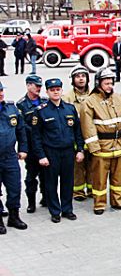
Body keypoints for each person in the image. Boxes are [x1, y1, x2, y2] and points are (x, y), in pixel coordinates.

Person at [31, 78, 85, 223]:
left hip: (68, 152)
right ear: (47, 92)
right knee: (51, 183)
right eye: (52, 90)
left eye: (58, 89)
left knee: (68, 182)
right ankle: (55, 211)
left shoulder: (70, 108)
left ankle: (67, 209)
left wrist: (80, 149)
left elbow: (77, 132)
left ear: (61, 90)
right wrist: (41, 156)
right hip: (51, 153)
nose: (55, 92)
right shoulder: (41, 111)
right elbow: (36, 137)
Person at [80, 69, 121, 215]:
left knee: (119, 178)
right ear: (98, 83)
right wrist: (94, 148)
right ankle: (99, 205)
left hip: (118, 145)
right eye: (106, 83)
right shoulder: (89, 102)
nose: (109, 86)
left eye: (111, 83)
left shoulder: (120, 98)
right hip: (101, 148)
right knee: (99, 179)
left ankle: (120, 201)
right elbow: (87, 127)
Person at [0, 81, 29, 234]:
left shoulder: (11, 109)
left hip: (10, 156)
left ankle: (14, 216)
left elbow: (21, 131)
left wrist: (23, 149)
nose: (1, 94)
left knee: (14, 187)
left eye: (1, 91)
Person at [17, 74, 48, 213]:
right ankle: (31, 202)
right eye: (36, 86)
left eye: (40, 86)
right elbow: (22, 127)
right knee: (31, 176)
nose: (39, 89)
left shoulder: (46, 101)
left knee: (46, 174)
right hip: (30, 147)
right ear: (28, 85)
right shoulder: (21, 104)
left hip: (45, 145)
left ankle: (46, 197)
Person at [63, 66, 92, 201]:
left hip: (92, 135)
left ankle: (93, 189)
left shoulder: (95, 95)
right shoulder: (67, 98)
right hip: (75, 136)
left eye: (83, 76)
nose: (81, 78)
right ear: (73, 80)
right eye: (77, 76)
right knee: (77, 166)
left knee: (93, 164)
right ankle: (78, 191)